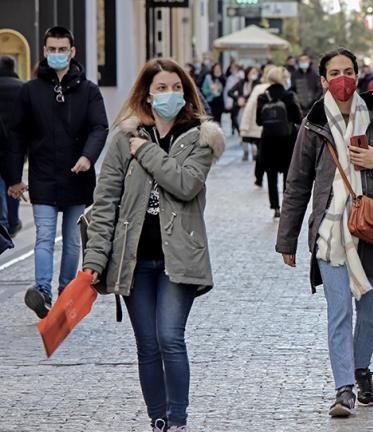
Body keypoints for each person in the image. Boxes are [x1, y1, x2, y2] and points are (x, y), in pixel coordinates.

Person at [83, 58, 224, 432]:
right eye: (162, 88)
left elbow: (184, 183)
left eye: (176, 88)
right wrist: (95, 258)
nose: (170, 94)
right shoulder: (121, 139)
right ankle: (158, 419)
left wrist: (143, 151)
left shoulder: (201, 137)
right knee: (147, 344)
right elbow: (105, 201)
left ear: (187, 92)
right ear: (147, 94)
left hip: (178, 257)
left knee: (169, 338)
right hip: (133, 257)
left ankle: (178, 420)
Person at [276, 47, 373, 418]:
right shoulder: (312, 124)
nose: (342, 78)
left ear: (358, 73)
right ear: (322, 80)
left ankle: (361, 369)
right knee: (339, 313)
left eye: (348, 70)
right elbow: (297, 184)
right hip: (330, 233)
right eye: (334, 72)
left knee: (370, 313)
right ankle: (344, 389)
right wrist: (287, 240)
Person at [6, 26, 108, 319]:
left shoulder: (88, 90)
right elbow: (17, 135)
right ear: (44, 51)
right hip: (44, 176)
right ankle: (42, 292)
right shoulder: (31, 91)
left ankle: (66, 294)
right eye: (52, 49)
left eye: (62, 49)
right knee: (44, 237)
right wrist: (15, 177)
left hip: (77, 176)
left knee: (73, 240)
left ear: (72, 52)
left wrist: (88, 157)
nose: (57, 54)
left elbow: (99, 127)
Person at [255, 66, 302, 218]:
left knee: (271, 176)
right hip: (287, 141)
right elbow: (297, 118)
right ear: (283, 79)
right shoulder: (289, 96)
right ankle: (287, 205)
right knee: (288, 176)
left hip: (268, 142)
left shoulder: (263, 97)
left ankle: (275, 207)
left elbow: (258, 121)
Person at [240, 65, 276, 187]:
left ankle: (259, 177)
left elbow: (249, 108)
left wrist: (244, 127)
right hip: (270, 128)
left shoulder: (259, 88)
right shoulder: (271, 88)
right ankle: (261, 177)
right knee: (266, 153)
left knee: (262, 153)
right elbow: (250, 107)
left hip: (260, 127)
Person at [0, 56, 23, 236]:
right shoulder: (22, 87)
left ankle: (3, 221)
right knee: (13, 181)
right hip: (16, 146)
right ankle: (13, 222)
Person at [228, 66, 260, 161]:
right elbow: (230, 92)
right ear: (247, 73)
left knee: (254, 130)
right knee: (243, 130)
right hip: (242, 110)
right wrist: (238, 99)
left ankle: (255, 151)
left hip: (253, 110)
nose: (254, 75)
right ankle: (245, 151)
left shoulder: (258, 84)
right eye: (252, 72)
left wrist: (245, 99)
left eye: (255, 73)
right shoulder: (241, 82)